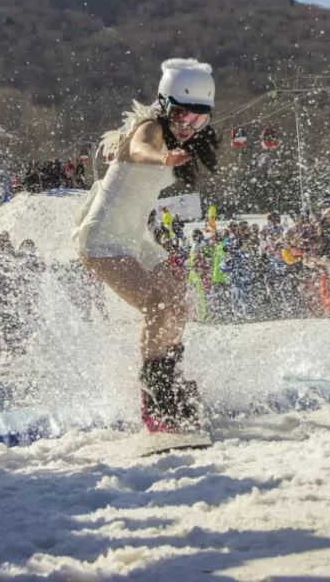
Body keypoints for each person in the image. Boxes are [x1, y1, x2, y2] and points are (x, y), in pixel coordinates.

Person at [73, 58, 218, 434]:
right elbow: (139, 150)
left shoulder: (175, 135)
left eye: (199, 121)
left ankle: (170, 377)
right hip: (103, 239)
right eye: (184, 117)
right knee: (158, 305)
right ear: (166, 106)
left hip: (133, 239)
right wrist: (162, 157)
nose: (189, 128)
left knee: (179, 301)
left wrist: (175, 151)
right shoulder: (150, 128)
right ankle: (154, 399)